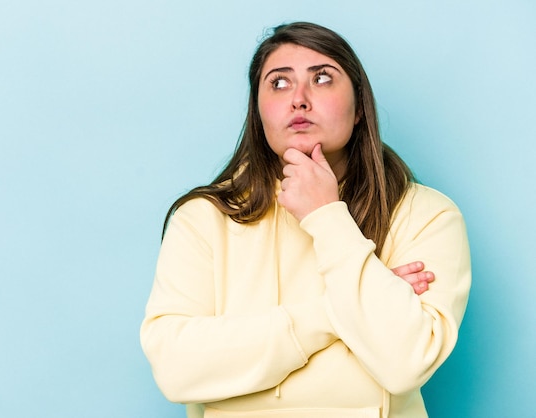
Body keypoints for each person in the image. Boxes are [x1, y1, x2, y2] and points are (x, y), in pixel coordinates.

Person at [141, 22, 471, 418]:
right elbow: (176, 369)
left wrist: (327, 216)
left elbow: (405, 363)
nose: (299, 99)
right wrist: (334, 313)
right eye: (279, 83)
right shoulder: (203, 218)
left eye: (322, 78)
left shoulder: (427, 215)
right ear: (258, 111)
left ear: (360, 108)